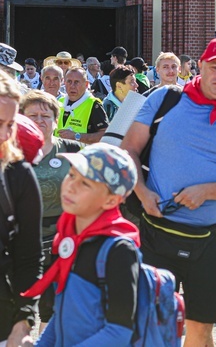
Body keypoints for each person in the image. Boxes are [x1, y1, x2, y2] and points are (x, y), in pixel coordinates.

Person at [121, 38, 216, 347]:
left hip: (210, 241)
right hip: (157, 234)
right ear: (199, 65)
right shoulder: (164, 99)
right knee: (153, 327)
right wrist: (143, 193)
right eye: (215, 67)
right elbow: (128, 150)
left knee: (200, 331)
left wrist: (207, 191)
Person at [23, 143, 141, 347]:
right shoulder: (67, 239)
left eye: (85, 183)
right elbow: (61, 315)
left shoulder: (119, 250)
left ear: (111, 200)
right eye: (71, 175)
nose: (71, 185)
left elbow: (120, 332)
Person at [20, 90, 83, 330]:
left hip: (63, 241)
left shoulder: (72, 150)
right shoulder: (11, 152)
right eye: (32, 115)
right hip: (22, 241)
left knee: (54, 307)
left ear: (56, 121)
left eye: (45, 115)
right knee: (20, 307)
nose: (39, 121)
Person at [0, 72, 42, 347]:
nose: (5, 134)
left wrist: (23, 322)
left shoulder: (19, 174)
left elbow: (29, 255)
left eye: (10, 125)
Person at [56, 67, 109, 144]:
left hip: (83, 154)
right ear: (64, 83)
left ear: (86, 84)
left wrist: (76, 136)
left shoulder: (93, 104)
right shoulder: (59, 102)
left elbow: (104, 135)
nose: (72, 86)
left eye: (77, 82)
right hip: (60, 153)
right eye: (69, 81)